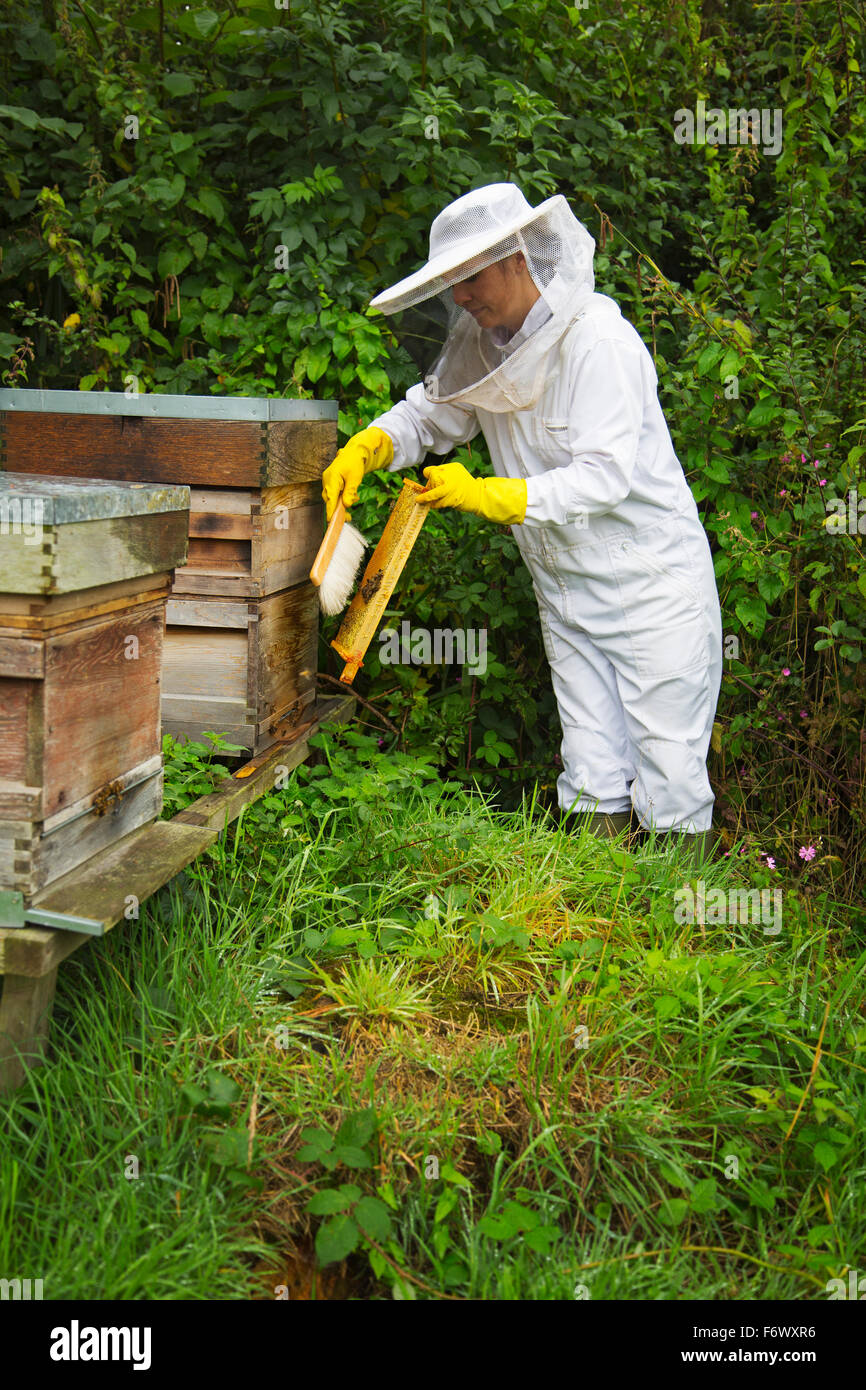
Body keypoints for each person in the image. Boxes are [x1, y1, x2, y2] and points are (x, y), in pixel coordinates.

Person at [321, 183, 723, 862]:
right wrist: (371, 445)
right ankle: (606, 931)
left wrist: (486, 495)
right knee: (591, 772)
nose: (462, 296)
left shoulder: (599, 342)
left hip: (652, 593)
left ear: (517, 259)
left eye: (471, 276)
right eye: (452, 282)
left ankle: (686, 943)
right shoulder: (485, 347)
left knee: (671, 777)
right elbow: (430, 413)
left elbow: (603, 476)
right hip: (567, 594)